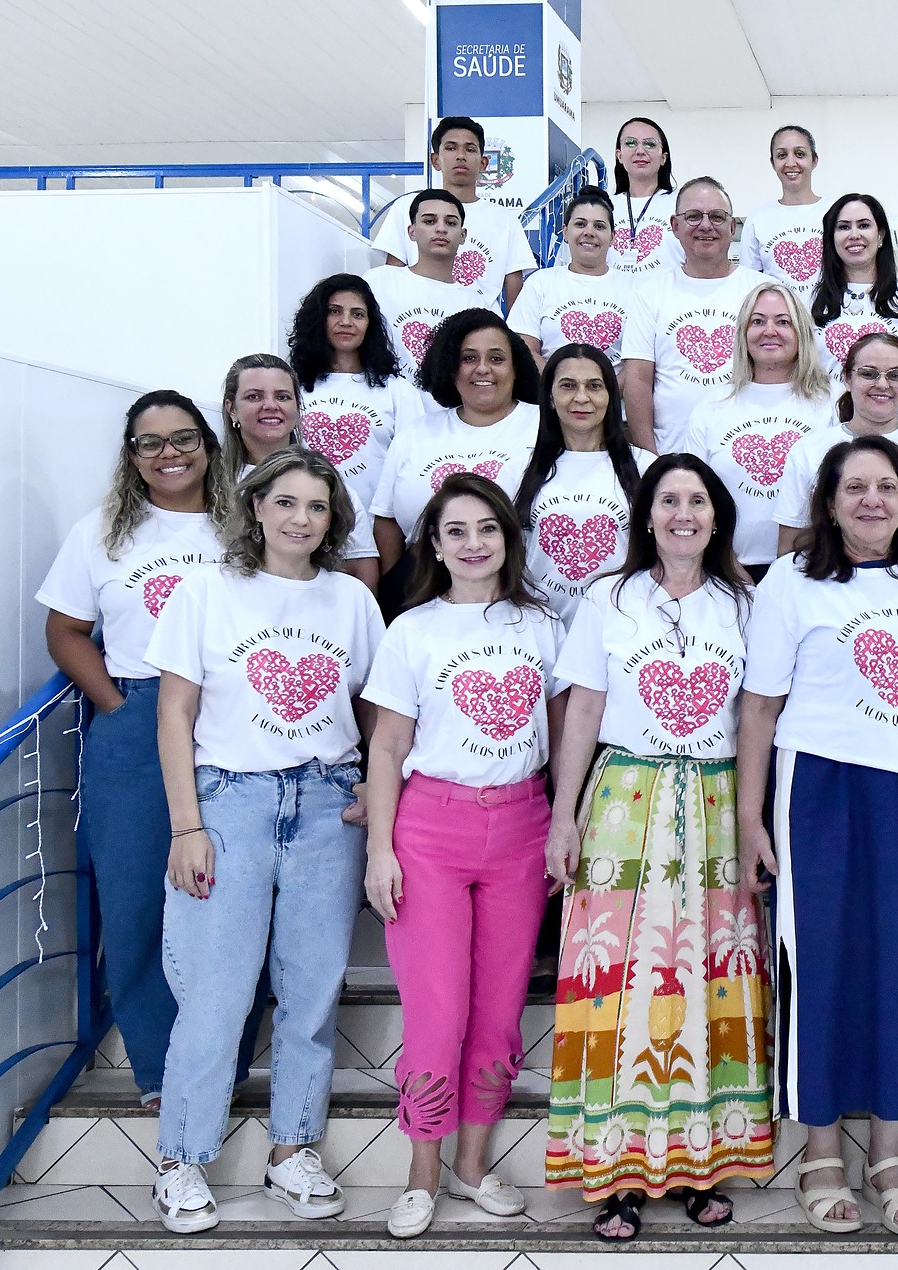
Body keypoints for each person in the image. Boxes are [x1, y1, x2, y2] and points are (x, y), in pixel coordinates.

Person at [143, 447, 384, 1233]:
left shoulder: (350, 599)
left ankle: (293, 1152)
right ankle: (181, 1161)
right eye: (285, 503)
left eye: (316, 508)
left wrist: (373, 798)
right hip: (229, 803)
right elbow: (174, 714)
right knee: (216, 990)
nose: (300, 520)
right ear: (255, 508)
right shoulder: (206, 591)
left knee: (312, 990)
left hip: (325, 803)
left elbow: (379, 713)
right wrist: (187, 825)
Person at [738, 434, 898, 1237]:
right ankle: (820, 1148)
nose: (872, 501)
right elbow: (760, 708)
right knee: (825, 964)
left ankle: (890, 1149)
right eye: (854, 488)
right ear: (828, 502)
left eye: (887, 487)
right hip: (823, 793)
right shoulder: (790, 583)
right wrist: (750, 818)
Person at [545, 454, 773, 1239]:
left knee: (711, 982)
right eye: (669, 500)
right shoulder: (609, 599)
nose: (684, 513)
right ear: (647, 514)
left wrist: (753, 819)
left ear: (718, 517)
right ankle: (617, 1172)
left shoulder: (744, 604)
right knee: (620, 989)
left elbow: (757, 720)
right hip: (624, 804)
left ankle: (700, 1164)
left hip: (713, 805)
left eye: (698, 501)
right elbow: (581, 711)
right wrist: (563, 816)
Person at [360, 475, 565, 1239]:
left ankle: (473, 1165)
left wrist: (558, 825)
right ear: (435, 546)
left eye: (489, 528)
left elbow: (557, 734)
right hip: (431, 828)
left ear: (510, 539)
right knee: (437, 1009)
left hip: (520, 826)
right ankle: (421, 1173)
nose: (474, 542)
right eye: (456, 531)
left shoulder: (541, 625)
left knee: (499, 1008)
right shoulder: (412, 631)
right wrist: (381, 849)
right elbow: (387, 747)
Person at [38, 391, 240, 1111]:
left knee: (228, 895)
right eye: (149, 443)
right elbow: (65, 631)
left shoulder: (242, 523)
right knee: (132, 900)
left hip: (230, 716)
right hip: (136, 712)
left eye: (183, 438)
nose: (169, 454)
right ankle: (160, 1069)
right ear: (131, 455)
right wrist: (119, 707)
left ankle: (226, 1059)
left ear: (209, 446)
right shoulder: (100, 532)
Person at [372, 309, 541, 586]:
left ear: (515, 367)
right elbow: (387, 520)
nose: (483, 368)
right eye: (468, 358)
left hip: (518, 590)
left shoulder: (547, 426)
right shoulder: (416, 433)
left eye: (496, 358)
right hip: (421, 593)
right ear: (450, 366)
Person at [679, 280, 835, 581]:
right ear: (743, 333)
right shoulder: (713, 406)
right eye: (758, 321)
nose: (769, 331)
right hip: (726, 570)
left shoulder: (831, 401)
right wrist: (726, 563)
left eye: (783, 322)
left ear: (801, 331)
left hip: (814, 570)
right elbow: (693, 493)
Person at [775, 332, 898, 554]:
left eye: (895, 376)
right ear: (847, 379)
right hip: (830, 584)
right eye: (869, 374)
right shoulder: (808, 451)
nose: (882, 384)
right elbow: (789, 550)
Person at [619, 176, 768, 452]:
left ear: (732, 226)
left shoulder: (763, 291)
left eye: (717, 217)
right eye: (693, 216)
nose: (706, 225)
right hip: (671, 454)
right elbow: (638, 381)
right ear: (675, 226)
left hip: (745, 452)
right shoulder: (650, 293)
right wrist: (651, 459)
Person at [512, 344, 650, 621]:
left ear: (611, 395)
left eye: (595, 386)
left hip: (623, 627)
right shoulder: (516, 470)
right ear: (550, 397)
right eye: (567, 386)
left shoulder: (646, 468)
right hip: (538, 627)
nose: (581, 397)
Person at [221, 354, 381, 588]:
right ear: (231, 409)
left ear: (297, 406)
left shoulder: (324, 481)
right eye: (254, 396)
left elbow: (361, 570)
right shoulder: (211, 481)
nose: (270, 406)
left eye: (283, 397)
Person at [291, 274, 424, 553]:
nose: (346, 322)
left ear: (370, 324)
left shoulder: (398, 391)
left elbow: (412, 471)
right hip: (303, 531)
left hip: (381, 540)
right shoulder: (294, 386)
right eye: (334, 312)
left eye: (358, 314)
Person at [371, 117, 537, 310]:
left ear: (483, 163)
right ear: (435, 160)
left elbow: (514, 289)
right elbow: (392, 277)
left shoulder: (505, 219)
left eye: (470, 149)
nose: (461, 156)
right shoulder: (406, 207)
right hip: (419, 315)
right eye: (451, 148)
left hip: (480, 327)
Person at [808, 192, 898, 408]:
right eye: (843, 227)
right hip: (827, 431)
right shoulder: (808, 301)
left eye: (864, 225)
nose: (854, 234)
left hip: (894, 432)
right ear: (831, 238)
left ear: (881, 235)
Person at [365, 190, 497, 377]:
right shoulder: (378, 281)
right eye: (429, 221)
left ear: (462, 235)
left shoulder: (477, 304)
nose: (441, 229)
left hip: (449, 405)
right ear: (411, 231)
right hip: (386, 403)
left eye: (450, 223)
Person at [508, 187, 632, 363]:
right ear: (565, 231)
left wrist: (607, 390)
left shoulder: (635, 288)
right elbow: (525, 350)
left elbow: (638, 361)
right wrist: (557, 387)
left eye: (599, 226)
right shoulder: (540, 283)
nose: (589, 232)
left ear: (613, 236)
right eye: (580, 224)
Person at [740, 125, 826, 303]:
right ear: (773, 163)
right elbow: (749, 284)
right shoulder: (758, 218)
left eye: (799, 154)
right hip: (779, 324)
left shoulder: (834, 211)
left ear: (814, 160)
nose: (790, 163)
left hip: (828, 320)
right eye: (781, 155)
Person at [606, 116, 683, 275]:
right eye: (631, 143)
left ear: (663, 158)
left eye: (650, 144)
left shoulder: (681, 203)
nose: (640, 151)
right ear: (619, 155)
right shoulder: (605, 206)